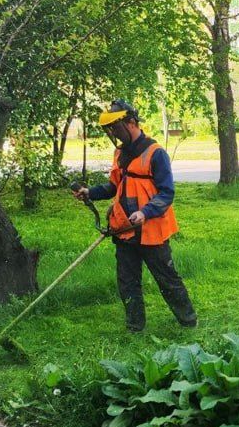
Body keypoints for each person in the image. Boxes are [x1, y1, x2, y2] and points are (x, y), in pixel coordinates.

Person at [72, 99, 196, 332]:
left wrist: (145, 212)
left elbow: (167, 192)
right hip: (124, 229)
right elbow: (113, 187)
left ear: (130, 122)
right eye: (110, 130)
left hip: (151, 230)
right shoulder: (120, 153)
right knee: (128, 282)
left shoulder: (155, 153)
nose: (114, 134)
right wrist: (90, 192)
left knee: (167, 279)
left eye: (116, 128)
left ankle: (188, 321)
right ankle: (135, 327)